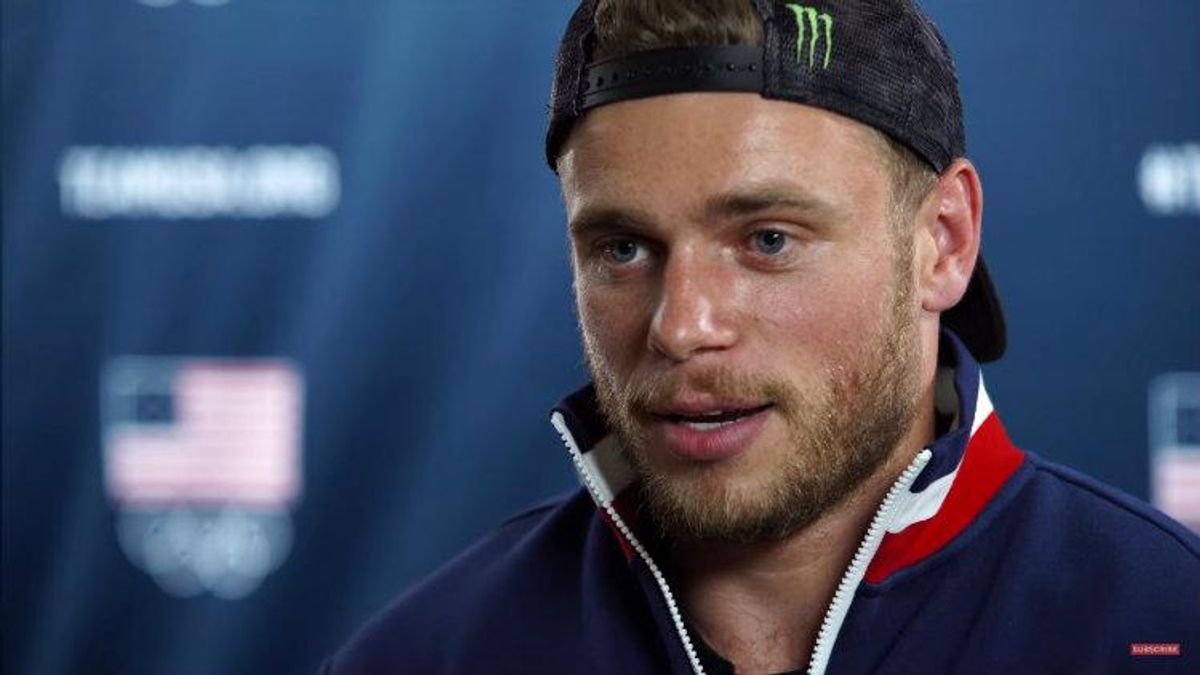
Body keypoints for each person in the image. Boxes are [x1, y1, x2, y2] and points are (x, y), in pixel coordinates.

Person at [323, 1, 1199, 673]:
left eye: (768, 240)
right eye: (622, 248)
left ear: (943, 243)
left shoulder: (1165, 621)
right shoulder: (424, 655)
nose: (682, 326)